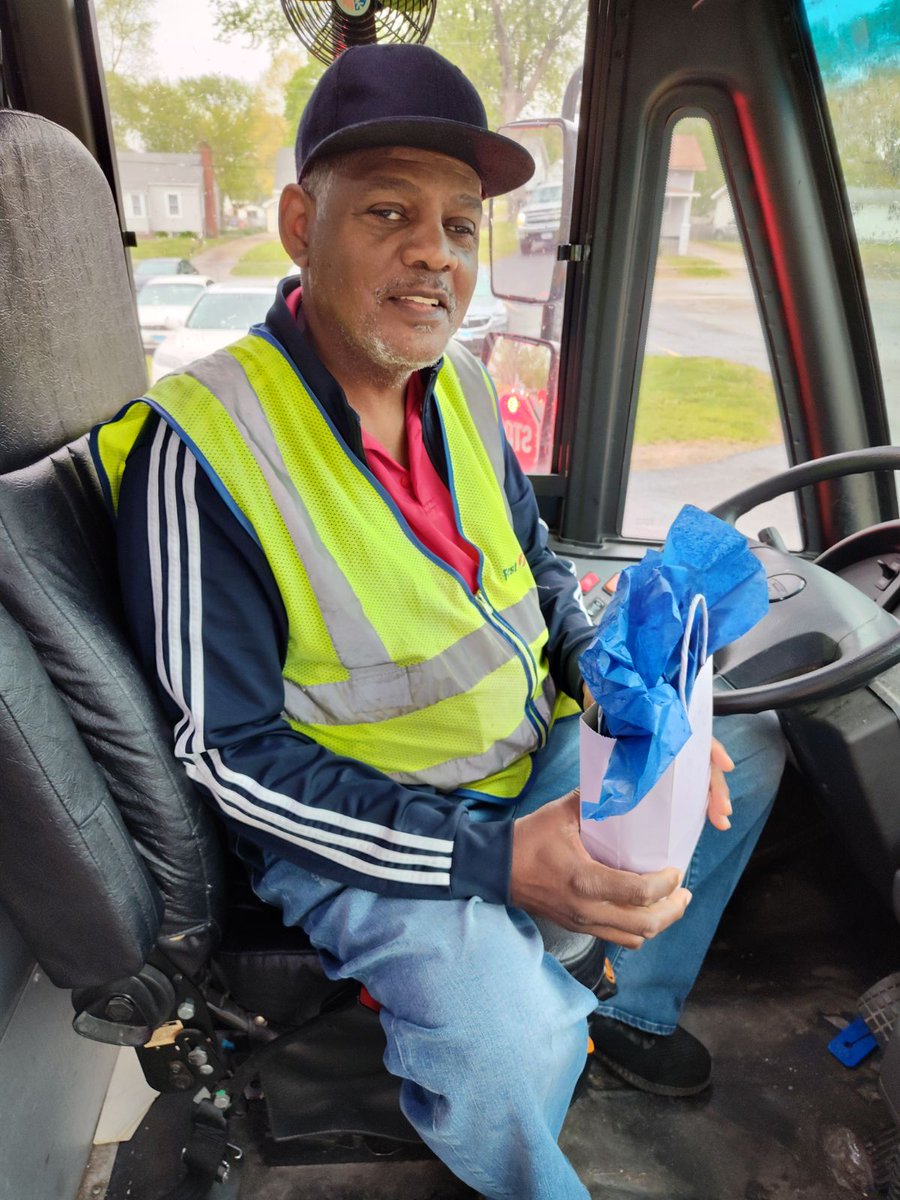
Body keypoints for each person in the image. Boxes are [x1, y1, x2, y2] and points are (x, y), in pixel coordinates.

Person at [94, 43, 785, 1200]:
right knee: (510, 1042)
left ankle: (624, 1006)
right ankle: (529, 1161)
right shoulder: (199, 446)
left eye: (462, 226)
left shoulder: (459, 385)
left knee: (743, 756)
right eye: (388, 212)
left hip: (512, 758)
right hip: (355, 828)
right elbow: (227, 755)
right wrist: (493, 858)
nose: (435, 254)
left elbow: (534, 573)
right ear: (297, 221)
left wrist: (612, 686)